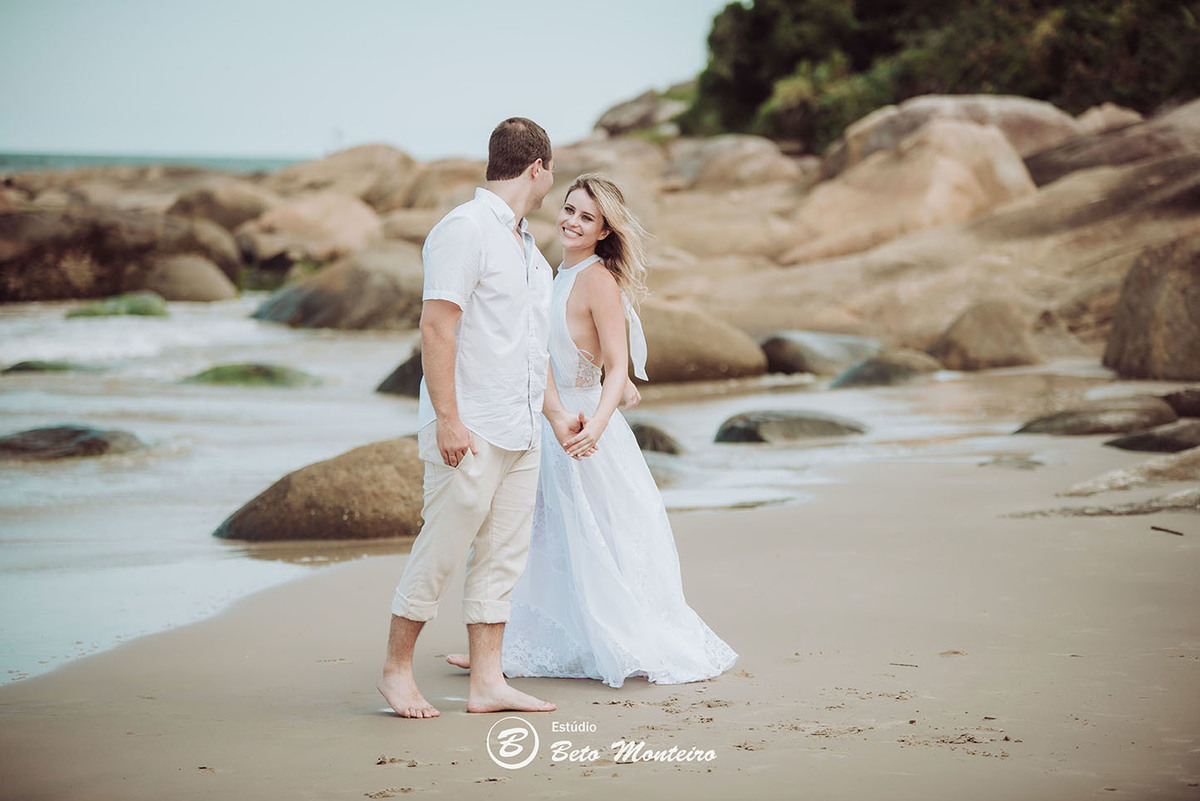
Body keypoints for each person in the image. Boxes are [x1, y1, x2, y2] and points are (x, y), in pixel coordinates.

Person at [447, 174, 738, 688]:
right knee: (529, 538)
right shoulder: (550, 273)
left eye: (586, 217)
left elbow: (618, 370)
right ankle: (506, 645)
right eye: (568, 209)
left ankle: (621, 638)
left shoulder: (598, 279)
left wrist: (596, 427)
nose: (572, 221)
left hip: (584, 431)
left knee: (596, 539)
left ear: (605, 231)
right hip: (540, 422)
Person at [378, 117, 587, 718]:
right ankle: (395, 672)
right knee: (441, 549)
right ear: (538, 168)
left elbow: (529, 348)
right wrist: (447, 417)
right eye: (551, 171)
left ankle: (488, 682)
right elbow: (437, 323)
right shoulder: (464, 230)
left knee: (503, 555)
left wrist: (555, 416)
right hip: (469, 427)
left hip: (520, 427)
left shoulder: (527, 248)